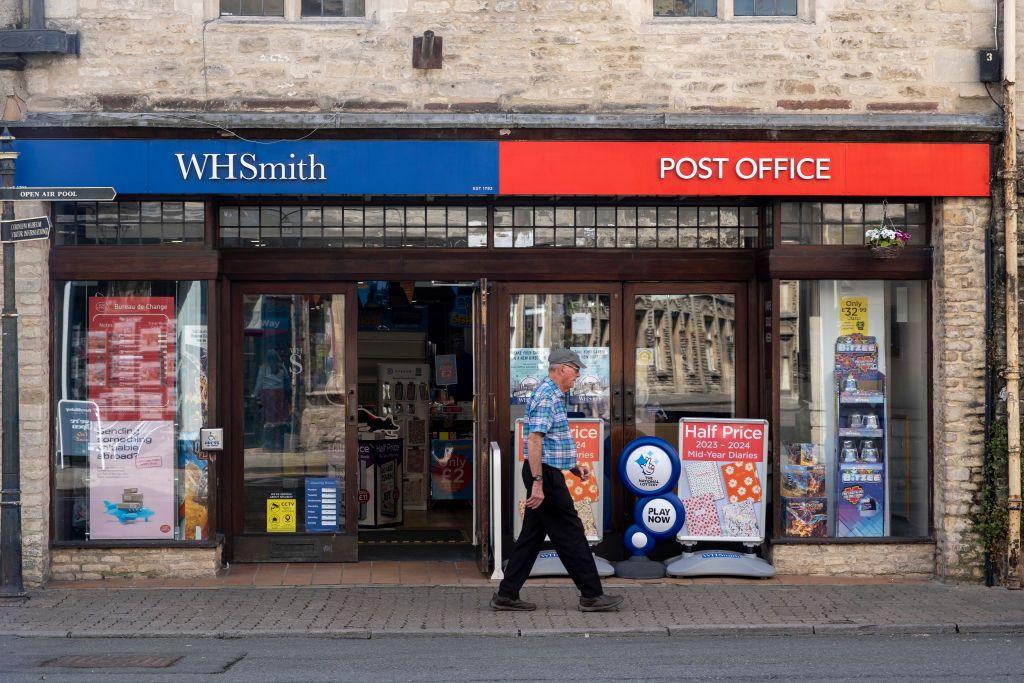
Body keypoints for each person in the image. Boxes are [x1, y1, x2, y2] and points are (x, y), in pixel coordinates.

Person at [491, 349, 623, 613]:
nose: (578, 375)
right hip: (545, 476)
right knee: (572, 534)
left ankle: (506, 594)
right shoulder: (546, 397)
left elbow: (550, 440)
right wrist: (538, 482)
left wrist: (572, 466)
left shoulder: (552, 395)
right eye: (576, 370)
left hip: (548, 472)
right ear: (561, 368)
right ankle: (591, 595)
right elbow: (534, 440)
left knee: (531, 537)